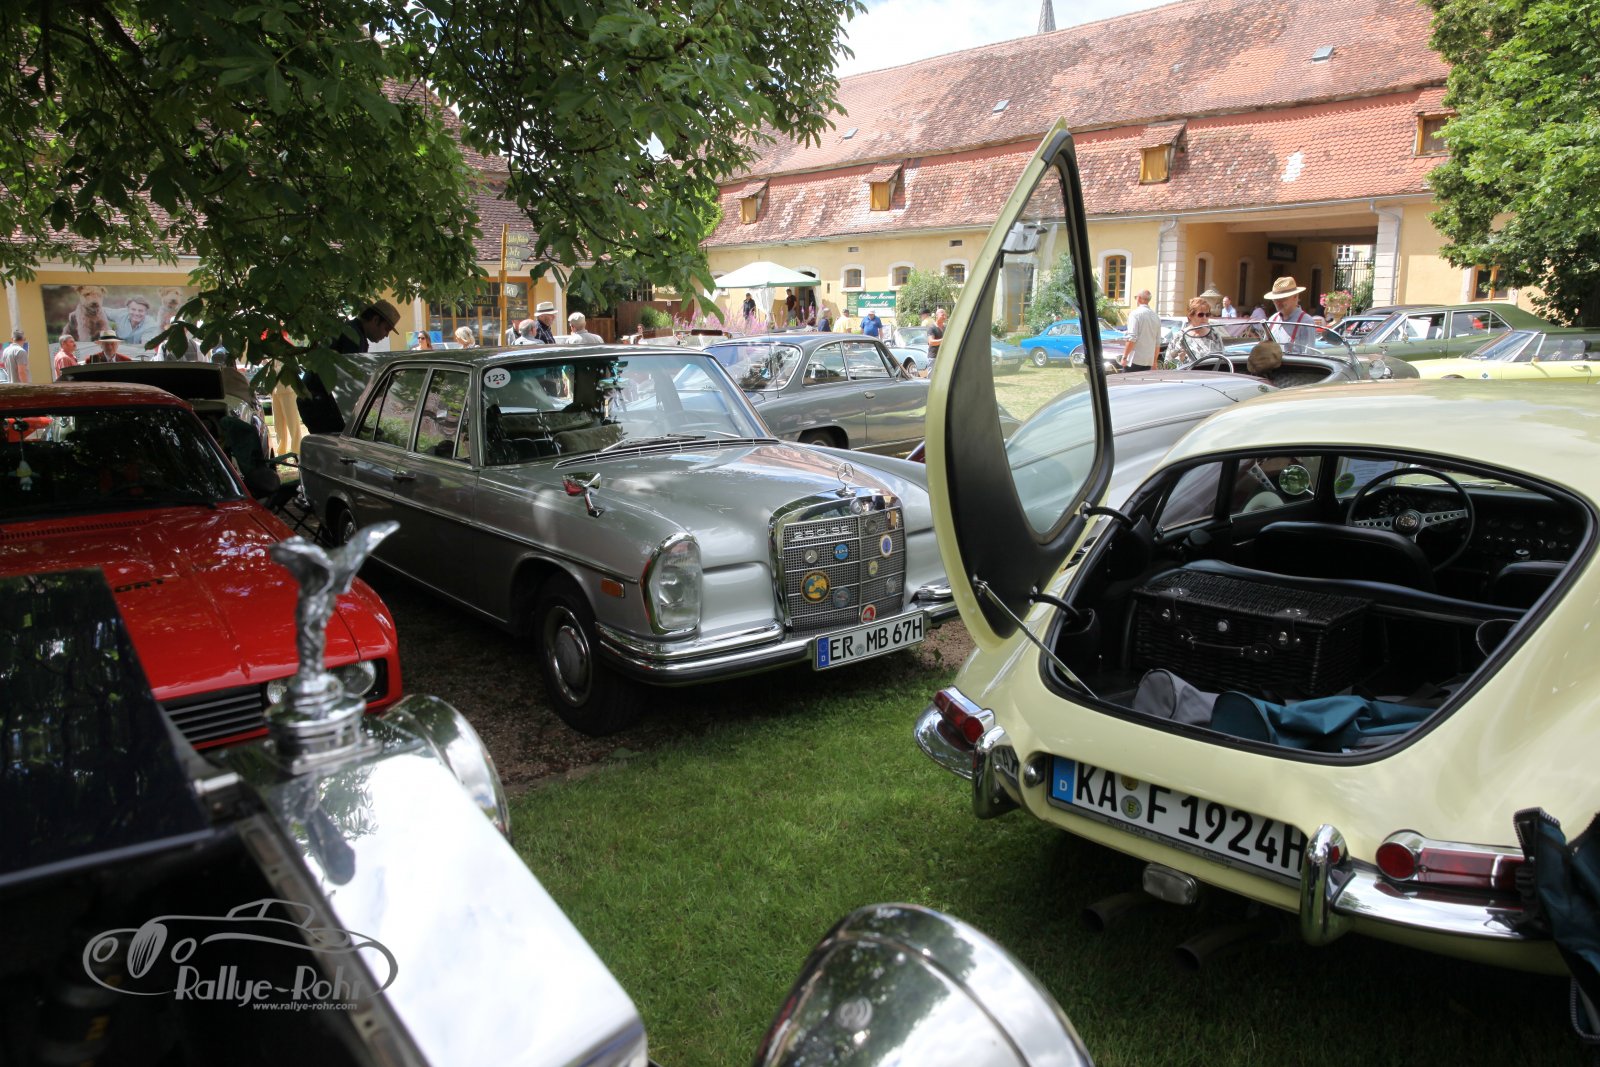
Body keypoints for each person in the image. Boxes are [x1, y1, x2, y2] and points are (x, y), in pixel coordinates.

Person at [1166, 297, 1225, 367]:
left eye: (1207, 315)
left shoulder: (1214, 336)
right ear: (1190, 315)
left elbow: (1223, 361)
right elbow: (1167, 365)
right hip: (1187, 373)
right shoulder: (1179, 337)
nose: (1205, 318)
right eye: (1201, 315)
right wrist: (1180, 360)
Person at [1263, 276, 1317, 348]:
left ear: (1295, 297)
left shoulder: (1306, 322)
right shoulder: (1272, 319)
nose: (1278, 302)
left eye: (1282, 298)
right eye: (1275, 299)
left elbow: (1309, 353)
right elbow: (1265, 349)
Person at [333, 299, 400, 355]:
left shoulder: (352, 328)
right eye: (387, 329)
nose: (387, 335)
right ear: (376, 320)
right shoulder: (355, 337)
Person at [1123, 289, 1160, 371]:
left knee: (1127, 379)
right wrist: (1154, 362)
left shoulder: (1135, 314)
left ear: (1139, 298)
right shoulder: (1156, 316)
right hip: (1148, 360)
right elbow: (1157, 342)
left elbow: (1132, 338)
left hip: (1135, 359)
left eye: (1135, 297)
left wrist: (1125, 357)